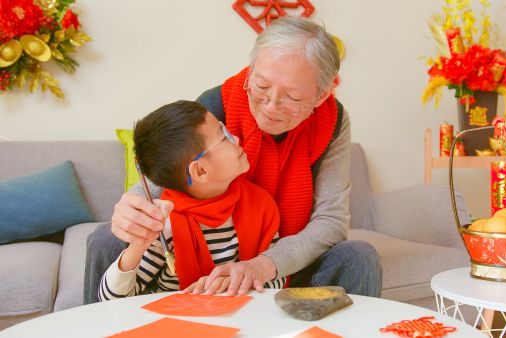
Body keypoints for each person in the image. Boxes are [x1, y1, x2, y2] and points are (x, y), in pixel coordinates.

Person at [84, 16, 382, 303]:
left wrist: (263, 266)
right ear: (251, 70)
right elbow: (168, 169)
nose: (270, 106)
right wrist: (133, 205)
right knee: (105, 239)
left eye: (291, 97)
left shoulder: (333, 121)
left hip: (284, 263)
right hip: (211, 265)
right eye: (262, 86)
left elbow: (331, 221)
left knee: (359, 257)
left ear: (322, 95)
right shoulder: (215, 106)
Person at [98, 100, 285, 300]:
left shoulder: (260, 204)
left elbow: (278, 278)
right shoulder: (165, 224)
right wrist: (138, 246)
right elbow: (111, 300)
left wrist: (240, 280)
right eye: (224, 138)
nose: (237, 139)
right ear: (200, 170)